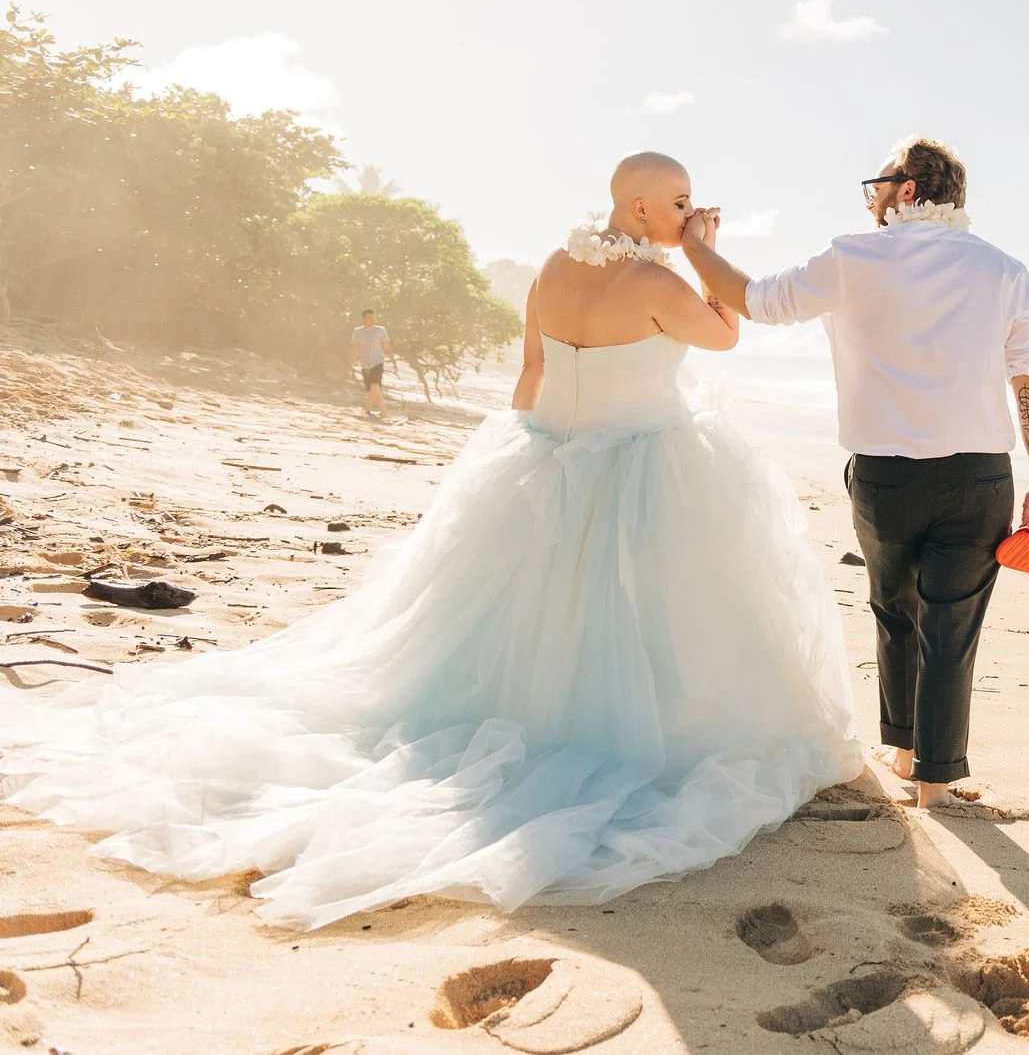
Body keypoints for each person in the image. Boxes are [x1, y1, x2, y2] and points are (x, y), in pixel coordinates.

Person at [0, 152, 861, 930]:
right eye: (677, 201)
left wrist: (538, 458)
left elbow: (532, 370)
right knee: (644, 610)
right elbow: (725, 331)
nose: (688, 209)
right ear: (637, 209)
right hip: (644, 462)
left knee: (527, 607)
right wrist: (705, 252)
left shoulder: (555, 269)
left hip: (549, 450)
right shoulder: (660, 284)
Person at [682, 135, 1029, 811]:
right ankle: (934, 784)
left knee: (894, 610)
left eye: (876, 184)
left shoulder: (852, 256)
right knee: (952, 627)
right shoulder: (1004, 269)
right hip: (978, 476)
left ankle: (905, 751)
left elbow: (753, 298)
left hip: (885, 477)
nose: (872, 199)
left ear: (907, 188)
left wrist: (693, 245)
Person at [348, 308, 395, 416]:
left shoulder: (380, 330)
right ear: (363, 319)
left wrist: (392, 360)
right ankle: (384, 412)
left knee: (375, 386)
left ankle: (366, 410)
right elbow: (355, 348)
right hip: (365, 364)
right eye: (369, 318)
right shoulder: (357, 331)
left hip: (377, 362)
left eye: (374, 317)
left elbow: (386, 345)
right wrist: (350, 363)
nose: (372, 320)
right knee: (374, 391)